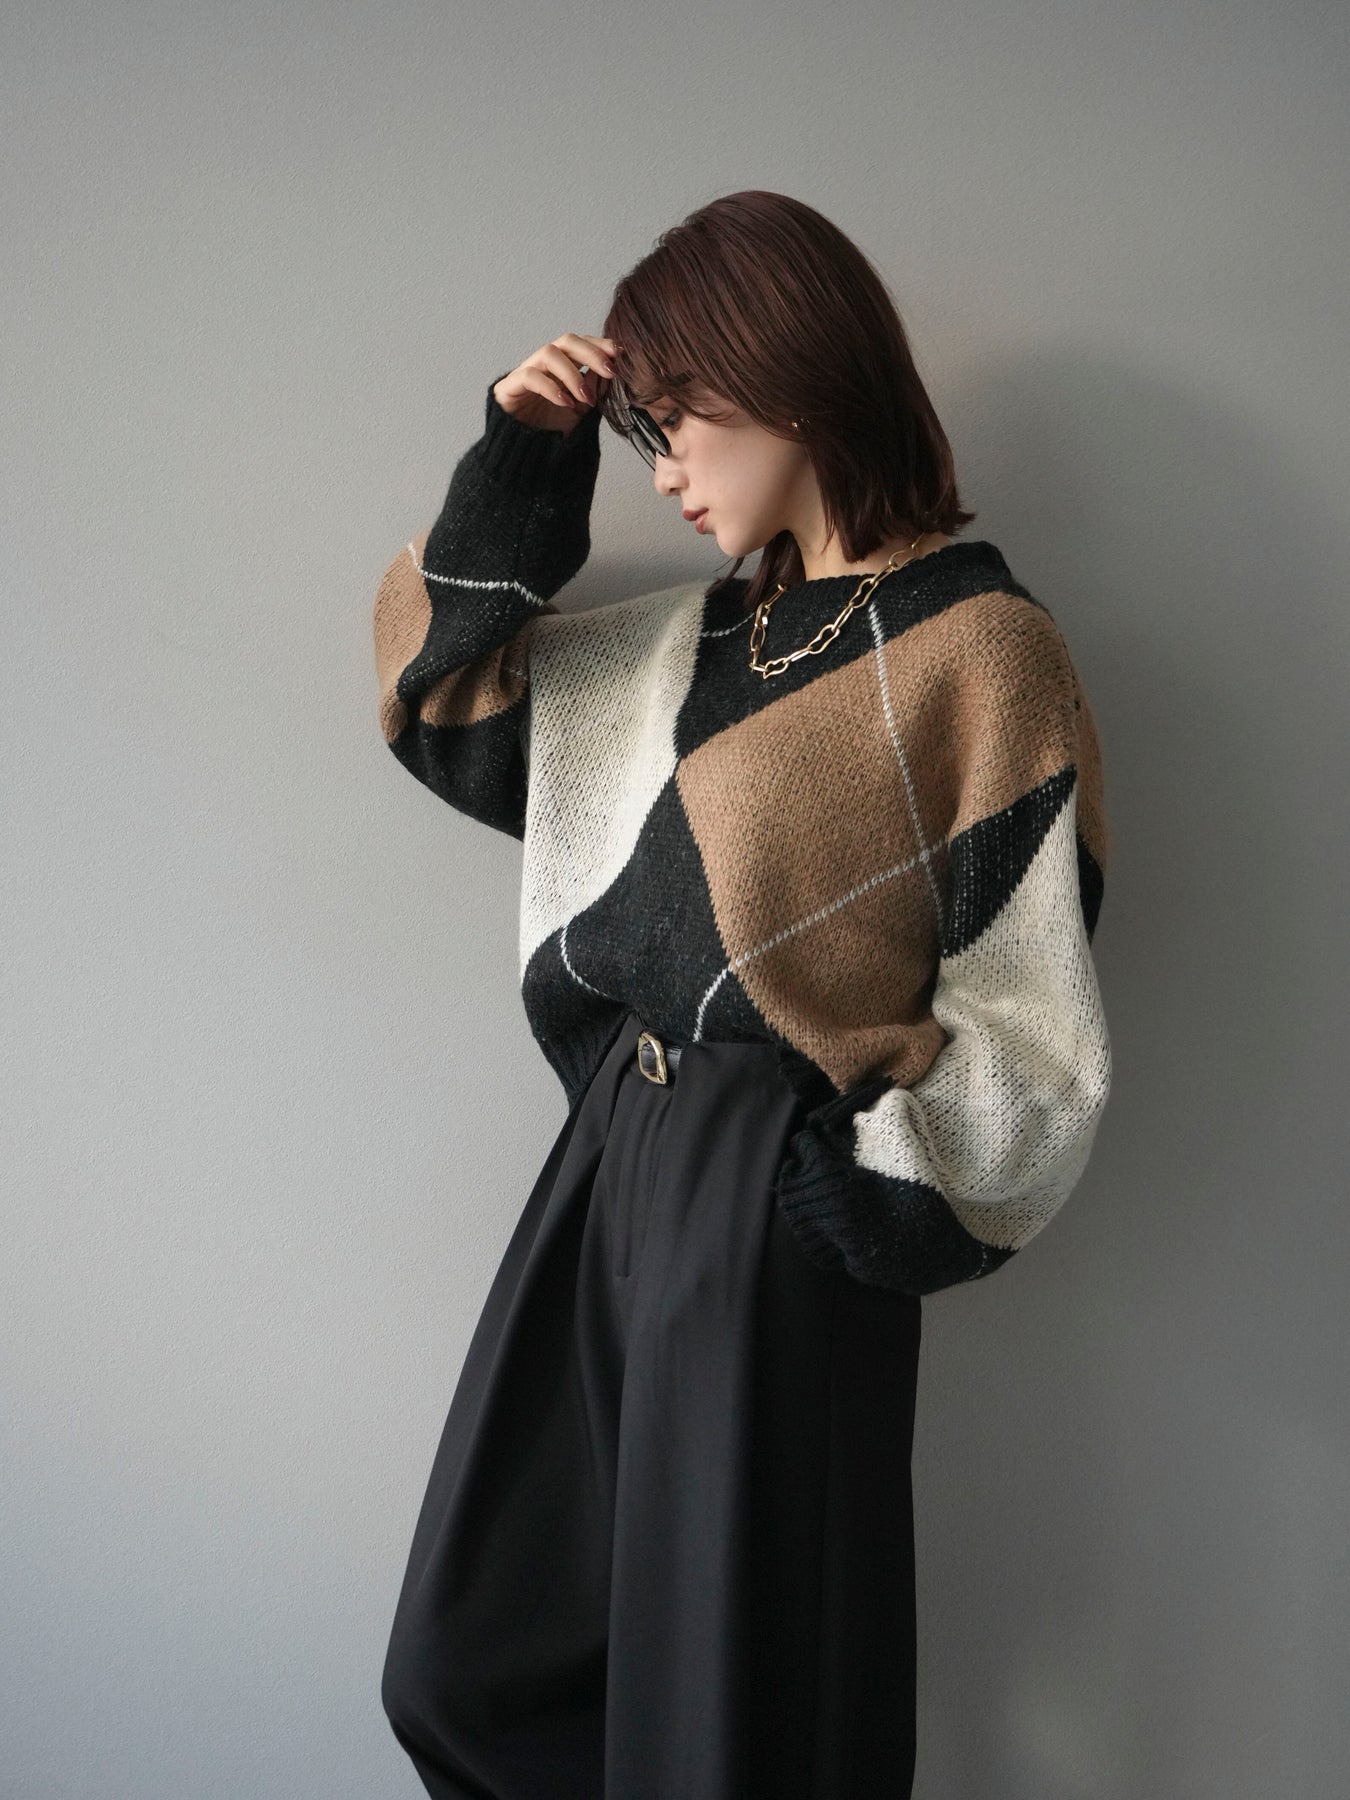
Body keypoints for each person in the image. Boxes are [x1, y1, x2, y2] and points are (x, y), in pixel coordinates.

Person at [371, 189, 1112, 1799]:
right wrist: (523, 459)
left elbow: (1031, 997)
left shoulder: (982, 649)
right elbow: (446, 705)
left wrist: (859, 1191)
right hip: (606, 1164)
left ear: (785, 376)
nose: (661, 469)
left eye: (676, 418)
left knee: (731, 1713)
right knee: (463, 1664)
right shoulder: (684, 648)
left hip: (770, 1177)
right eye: (637, 432)